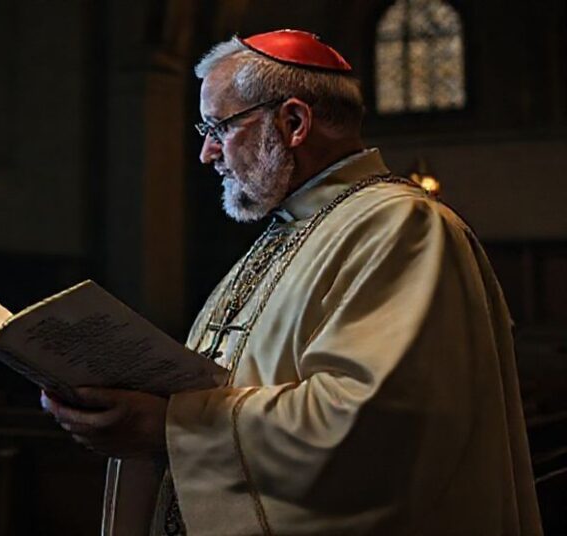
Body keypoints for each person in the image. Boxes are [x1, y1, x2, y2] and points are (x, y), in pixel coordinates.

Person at [41, 30, 542, 535]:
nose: (207, 154)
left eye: (219, 128)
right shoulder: (295, 227)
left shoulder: (402, 228)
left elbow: (373, 428)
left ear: (295, 122)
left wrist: (169, 426)